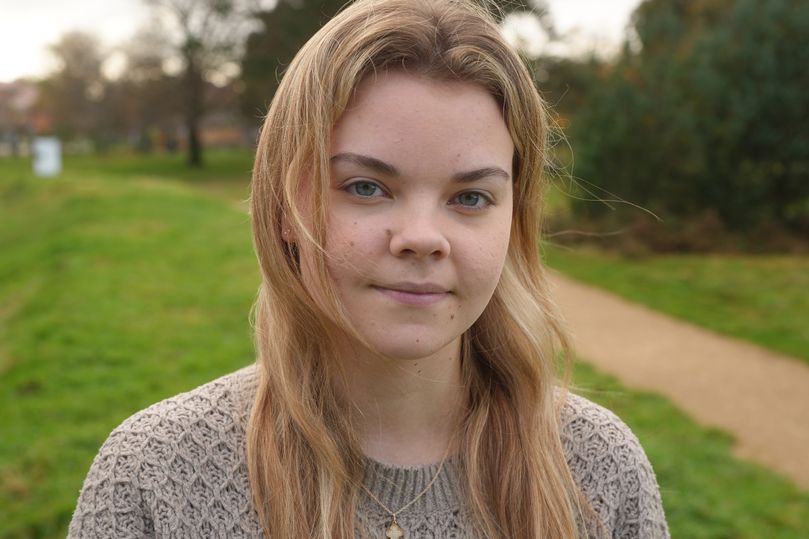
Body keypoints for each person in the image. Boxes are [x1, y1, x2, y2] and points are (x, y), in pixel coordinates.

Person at [68, 0, 669, 537]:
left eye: (470, 198)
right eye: (366, 187)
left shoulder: (599, 470)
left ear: (515, 220)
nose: (422, 239)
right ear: (285, 206)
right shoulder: (153, 476)